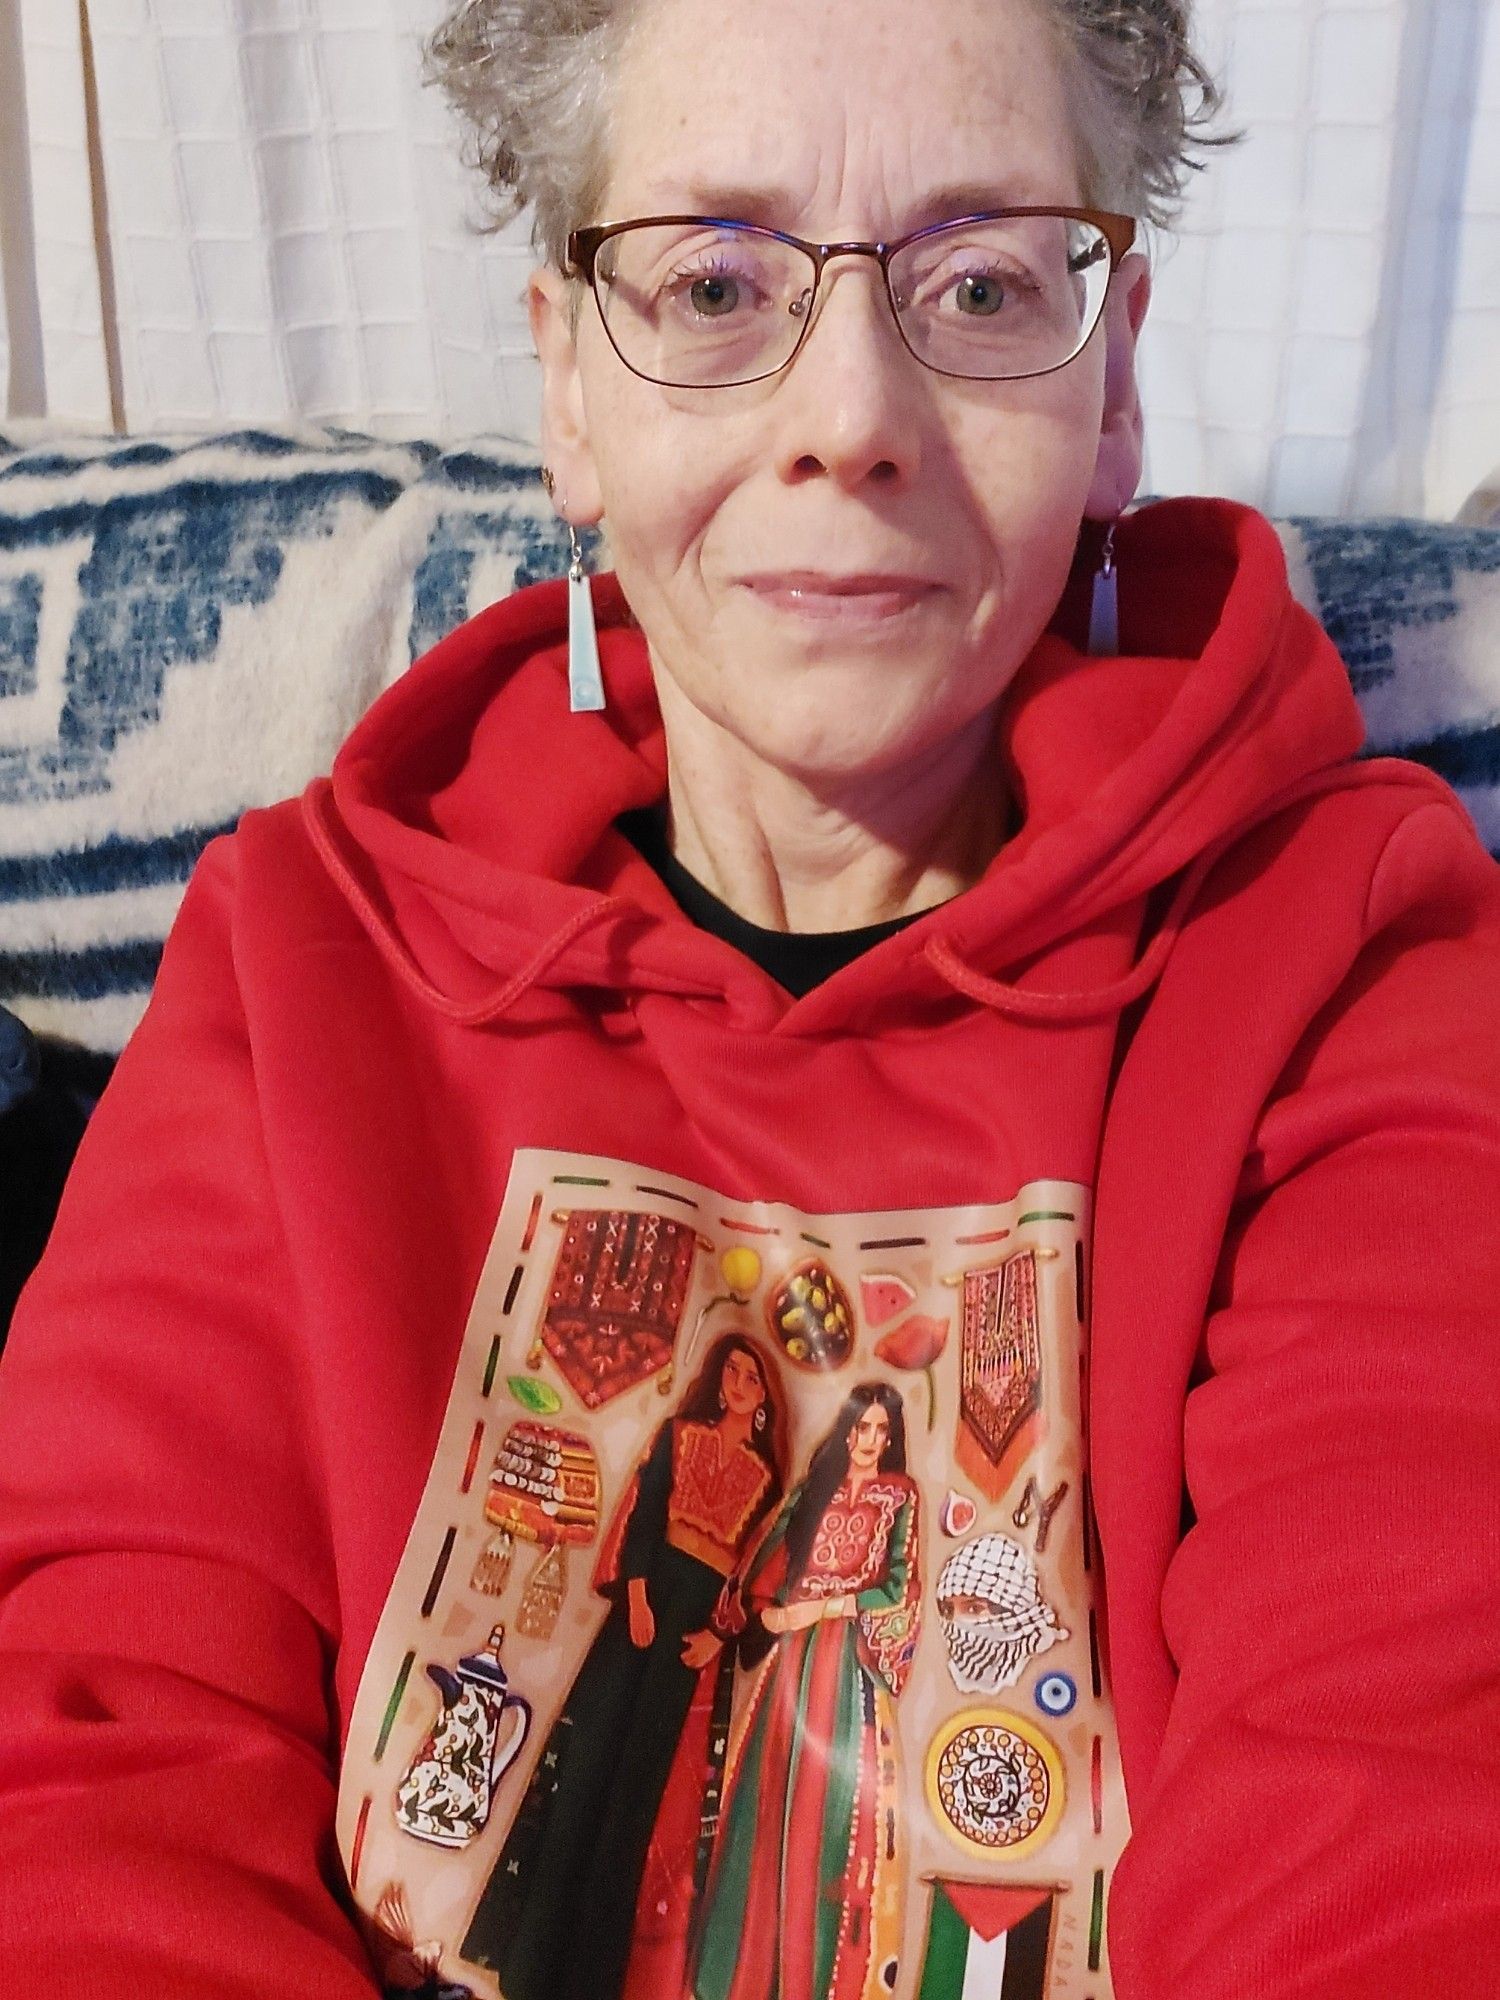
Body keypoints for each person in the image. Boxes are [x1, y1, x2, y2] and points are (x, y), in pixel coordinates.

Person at [0, 1, 1497, 1997]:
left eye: (977, 279)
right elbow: (90, 1763)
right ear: (568, 396)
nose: (849, 411)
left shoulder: (1351, 953)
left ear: (1115, 371)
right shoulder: (298, 955)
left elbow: (1400, 1783)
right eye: (714, 280)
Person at [461, 1333, 784, 2000]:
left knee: (636, 1797)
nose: (739, 1383)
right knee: (586, 1769)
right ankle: (529, 1964)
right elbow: (644, 1514)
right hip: (644, 1603)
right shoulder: (681, 1434)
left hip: (692, 1626)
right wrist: (636, 1595)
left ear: (764, 1399)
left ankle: (588, 1981)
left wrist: (718, 1639)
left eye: (752, 1377)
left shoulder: (767, 1478)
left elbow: (752, 1569)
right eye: (732, 1371)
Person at [690, 1383, 921, 2000]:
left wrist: (821, 1608)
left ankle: (803, 1982)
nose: (869, 1441)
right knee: (764, 1804)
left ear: (890, 1437)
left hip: (841, 1666)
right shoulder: (813, 1491)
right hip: (789, 1665)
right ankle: (736, 1978)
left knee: (824, 1816)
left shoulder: (899, 1496)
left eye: (880, 1430)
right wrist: (764, 1611)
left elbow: (898, 1585)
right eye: (861, 1427)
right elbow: (772, 1560)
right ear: (845, 1432)